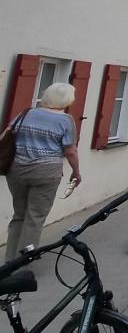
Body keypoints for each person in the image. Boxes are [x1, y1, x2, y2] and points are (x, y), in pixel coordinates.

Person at [3, 83, 81, 261]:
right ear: (67, 100)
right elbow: (70, 150)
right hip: (46, 172)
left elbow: (8, 133)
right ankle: (24, 261)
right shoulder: (65, 120)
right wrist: (76, 171)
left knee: (19, 215)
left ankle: (9, 260)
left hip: (17, 170)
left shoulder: (26, 113)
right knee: (35, 217)